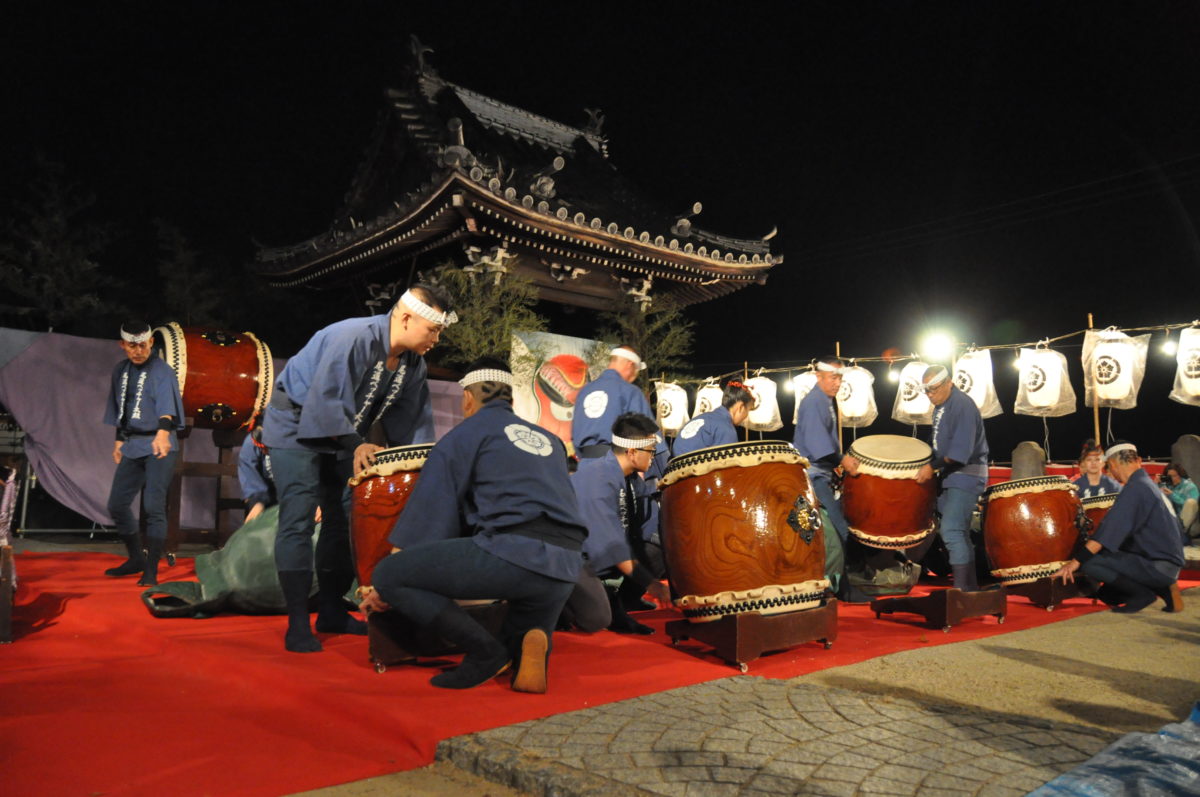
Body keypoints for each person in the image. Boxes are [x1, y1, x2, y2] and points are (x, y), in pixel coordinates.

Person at [363, 358, 587, 692]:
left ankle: (485, 653)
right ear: (510, 397)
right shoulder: (551, 441)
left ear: (468, 397)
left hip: (514, 554)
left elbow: (431, 515)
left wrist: (391, 575)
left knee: (390, 574)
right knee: (523, 624)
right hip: (566, 566)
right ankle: (529, 642)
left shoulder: (464, 435)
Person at [261, 285, 453, 653]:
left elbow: (413, 427)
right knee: (298, 519)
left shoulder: (413, 364)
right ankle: (298, 623)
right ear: (407, 317)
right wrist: (356, 444)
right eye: (434, 329)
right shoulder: (352, 336)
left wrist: (424, 467)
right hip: (295, 425)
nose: (437, 338)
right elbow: (324, 400)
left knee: (348, 519)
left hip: (347, 436)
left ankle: (332, 610)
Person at [561, 413, 672, 635]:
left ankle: (618, 603)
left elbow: (645, 523)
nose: (653, 457)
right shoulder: (598, 477)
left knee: (657, 550)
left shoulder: (629, 477)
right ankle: (559, 603)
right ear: (632, 452)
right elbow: (610, 543)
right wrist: (652, 584)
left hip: (600, 553)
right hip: (569, 556)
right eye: (651, 451)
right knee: (596, 618)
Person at [1053, 441, 1185, 613]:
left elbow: (1106, 535)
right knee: (1108, 595)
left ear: (1113, 464)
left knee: (1090, 562)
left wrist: (1074, 563)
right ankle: (1165, 589)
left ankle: (1143, 594)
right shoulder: (1149, 485)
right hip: (1168, 561)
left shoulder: (1135, 489)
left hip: (1158, 566)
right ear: (1137, 460)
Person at [102, 321, 185, 586]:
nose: (138, 350)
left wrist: (163, 433)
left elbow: (166, 406)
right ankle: (136, 557)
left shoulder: (162, 371)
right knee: (116, 504)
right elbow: (121, 408)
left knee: (153, 507)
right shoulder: (120, 371)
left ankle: (151, 570)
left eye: (142, 344)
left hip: (159, 443)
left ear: (151, 342)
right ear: (122, 345)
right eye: (132, 345)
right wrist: (118, 440)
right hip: (134, 443)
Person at [915, 364, 989, 591]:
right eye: (926, 390)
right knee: (959, 533)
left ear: (949, 382)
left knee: (951, 531)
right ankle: (969, 590)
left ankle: (962, 591)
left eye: (934, 389)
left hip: (965, 476)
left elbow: (960, 453)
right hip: (949, 477)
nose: (929, 395)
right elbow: (938, 444)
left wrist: (931, 467)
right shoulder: (942, 406)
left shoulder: (962, 405)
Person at [571, 345, 668, 476]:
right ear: (630, 365)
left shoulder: (583, 392)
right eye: (636, 370)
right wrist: (666, 470)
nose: (635, 375)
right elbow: (650, 437)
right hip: (616, 467)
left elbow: (574, 434)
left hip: (584, 468)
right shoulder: (629, 391)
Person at [792, 358, 859, 547]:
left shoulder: (824, 400)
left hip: (820, 474)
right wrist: (843, 459)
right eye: (833, 378)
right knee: (839, 531)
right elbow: (818, 446)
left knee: (827, 531)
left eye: (840, 379)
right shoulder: (814, 401)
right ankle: (837, 576)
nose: (837, 384)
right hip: (812, 477)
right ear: (818, 376)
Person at [672, 378, 754, 457]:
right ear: (740, 407)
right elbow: (726, 466)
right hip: (695, 470)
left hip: (675, 467)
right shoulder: (726, 429)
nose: (746, 416)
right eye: (748, 410)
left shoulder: (701, 418)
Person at [237, 414, 275, 523]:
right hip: (268, 500)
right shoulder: (251, 443)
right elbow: (250, 479)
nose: (264, 452)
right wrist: (257, 503)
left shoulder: (294, 441)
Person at [1160, 462, 1199, 541]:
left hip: (1188, 523)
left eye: (1175, 476)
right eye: (1170, 476)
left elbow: (1191, 507)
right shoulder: (1166, 485)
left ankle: (1180, 532)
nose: (1173, 479)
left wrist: (1172, 495)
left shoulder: (1189, 486)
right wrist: (1156, 484)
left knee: (1191, 502)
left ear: (1180, 475)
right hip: (1171, 519)